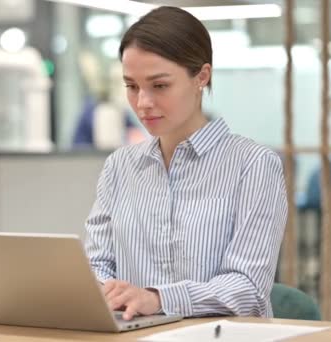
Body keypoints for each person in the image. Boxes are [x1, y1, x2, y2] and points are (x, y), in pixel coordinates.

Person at [84, 6, 287, 321]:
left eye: (160, 85)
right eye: (132, 86)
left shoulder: (254, 165)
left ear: (201, 77)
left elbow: (247, 288)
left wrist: (157, 298)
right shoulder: (119, 166)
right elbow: (98, 264)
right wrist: (100, 291)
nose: (142, 102)